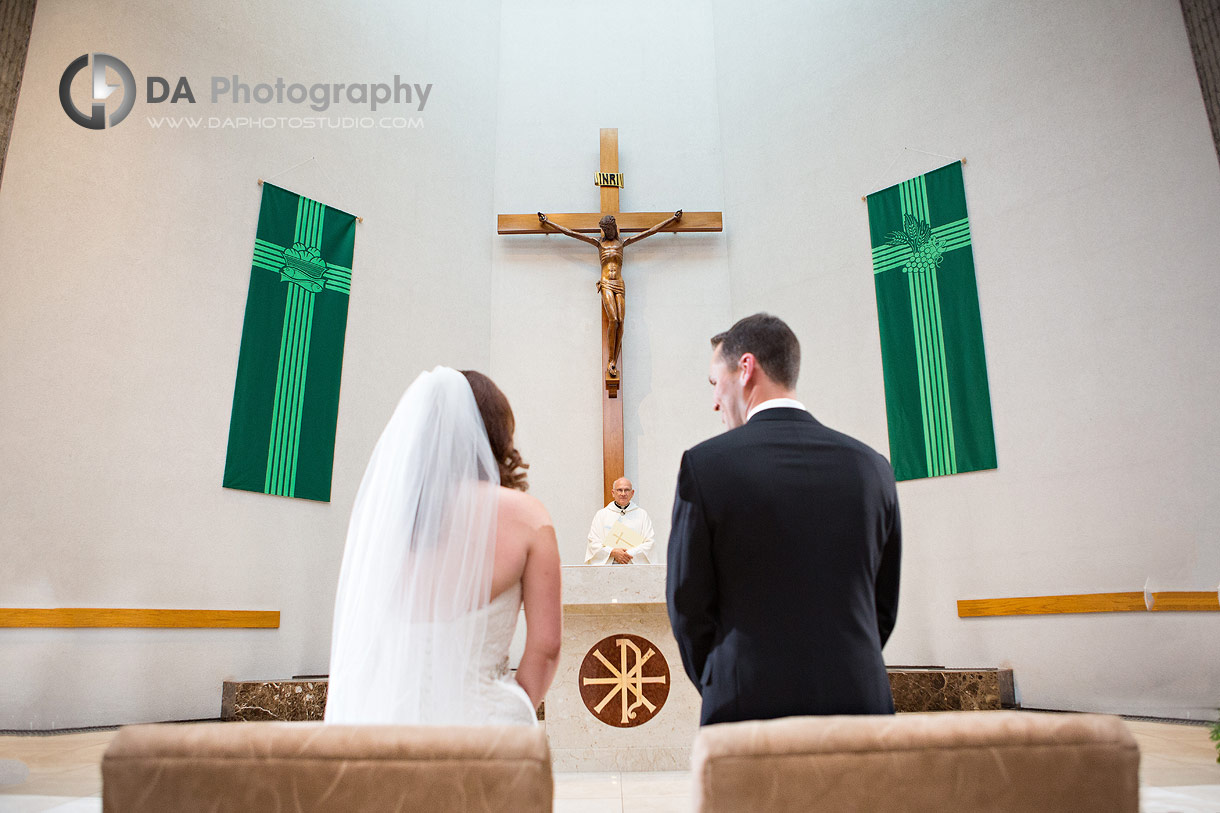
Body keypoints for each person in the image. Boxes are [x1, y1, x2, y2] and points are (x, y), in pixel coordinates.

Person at [666, 313, 901, 725]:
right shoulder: (872, 467)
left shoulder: (706, 466)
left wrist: (723, 676)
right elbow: (883, 602)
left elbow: (687, 603)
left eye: (714, 383)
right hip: (861, 705)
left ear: (745, 368)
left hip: (745, 706)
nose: (715, 401)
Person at [325, 367, 561, 725]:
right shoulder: (527, 516)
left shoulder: (387, 520)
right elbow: (546, 647)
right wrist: (510, 712)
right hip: (486, 727)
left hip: (387, 723)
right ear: (498, 433)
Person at [537, 210, 682, 378]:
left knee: (621, 321)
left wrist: (672, 219)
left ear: (614, 228)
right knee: (613, 319)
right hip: (606, 283)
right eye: (605, 230)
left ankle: (614, 359)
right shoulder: (599, 244)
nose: (607, 233)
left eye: (609, 229)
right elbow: (570, 233)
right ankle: (611, 360)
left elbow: (650, 231)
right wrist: (548, 222)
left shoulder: (622, 243)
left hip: (619, 284)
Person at [584, 477, 656, 564]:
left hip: (633, 567)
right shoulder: (601, 515)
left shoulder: (642, 515)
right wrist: (612, 552)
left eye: (626, 490)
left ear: (632, 493)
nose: (623, 493)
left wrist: (628, 554)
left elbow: (649, 543)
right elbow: (593, 543)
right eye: (619, 490)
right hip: (608, 568)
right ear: (613, 493)